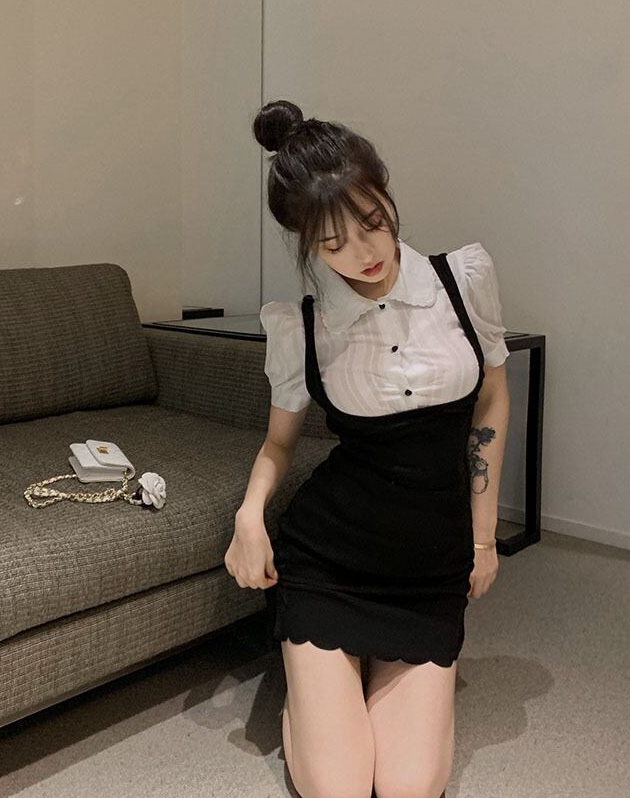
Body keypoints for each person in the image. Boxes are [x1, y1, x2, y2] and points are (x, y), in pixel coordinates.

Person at [224, 100, 511, 798]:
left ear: (385, 192)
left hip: (428, 569)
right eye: (333, 244)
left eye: (374, 221)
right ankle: (308, 675)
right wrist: (249, 514)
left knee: (410, 788)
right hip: (330, 560)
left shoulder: (462, 282)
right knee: (341, 788)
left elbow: (492, 401)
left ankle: (340, 684)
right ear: (305, 244)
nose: (365, 253)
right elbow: (279, 441)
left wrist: (482, 540)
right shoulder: (303, 326)